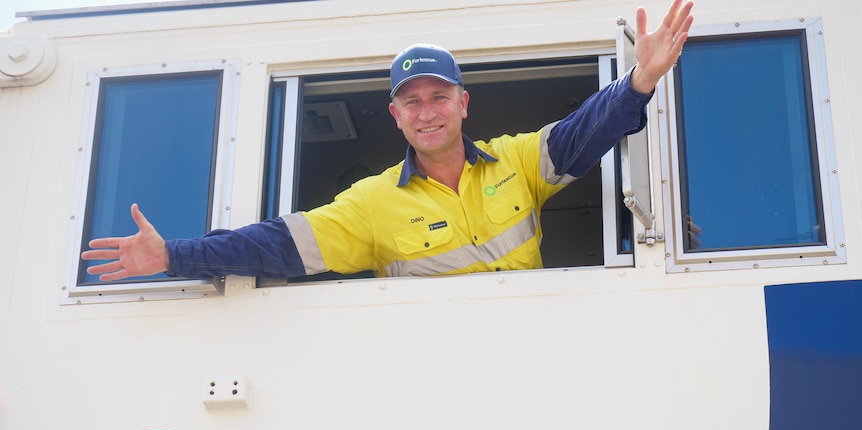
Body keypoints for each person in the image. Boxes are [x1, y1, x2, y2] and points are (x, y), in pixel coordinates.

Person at [82, 0, 694, 282]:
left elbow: (587, 131)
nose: (427, 113)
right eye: (412, 102)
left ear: (463, 103)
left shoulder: (517, 161)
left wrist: (638, 81)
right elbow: (274, 246)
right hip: (434, 377)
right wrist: (174, 257)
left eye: (438, 97)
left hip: (533, 348)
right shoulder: (372, 203)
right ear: (395, 116)